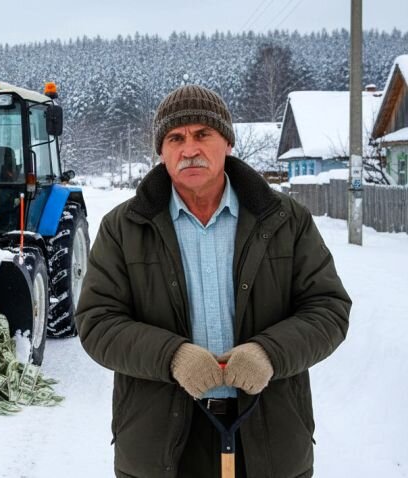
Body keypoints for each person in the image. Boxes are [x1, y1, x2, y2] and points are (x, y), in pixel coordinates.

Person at [75, 84, 351, 478]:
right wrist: (172, 356)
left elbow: (329, 309)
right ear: (161, 151)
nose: (189, 149)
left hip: (269, 431)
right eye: (175, 138)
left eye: (202, 134)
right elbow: (97, 323)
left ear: (227, 142)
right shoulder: (123, 227)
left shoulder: (286, 220)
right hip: (159, 439)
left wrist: (268, 353)